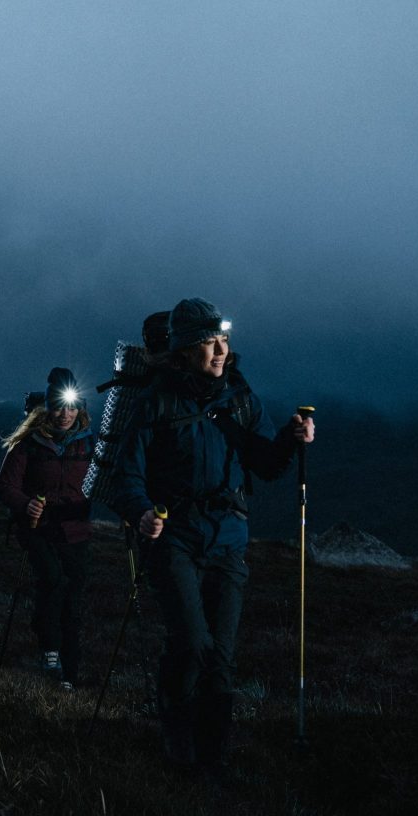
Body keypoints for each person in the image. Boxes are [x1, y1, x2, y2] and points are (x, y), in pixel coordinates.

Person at [113, 299, 315, 771]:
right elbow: (128, 476)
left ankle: (213, 762)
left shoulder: (241, 400)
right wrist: (143, 513)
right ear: (184, 351)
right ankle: (178, 742)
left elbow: (265, 464)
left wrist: (290, 437)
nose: (221, 349)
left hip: (228, 538)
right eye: (208, 342)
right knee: (194, 644)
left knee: (221, 656)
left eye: (223, 339)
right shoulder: (156, 403)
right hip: (175, 538)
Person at [0, 368, 95, 689]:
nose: (65, 414)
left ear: (80, 407)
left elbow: (105, 481)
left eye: (71, 406)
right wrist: (26, 504)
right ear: (47, 407)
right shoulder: (28, 444)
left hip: (75, 531)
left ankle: (69, 669)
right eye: (58, 406)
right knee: (52, 580)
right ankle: (50, 648)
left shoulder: (89, 445)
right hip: (38, 529)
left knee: (73, 596)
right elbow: (6, 485)